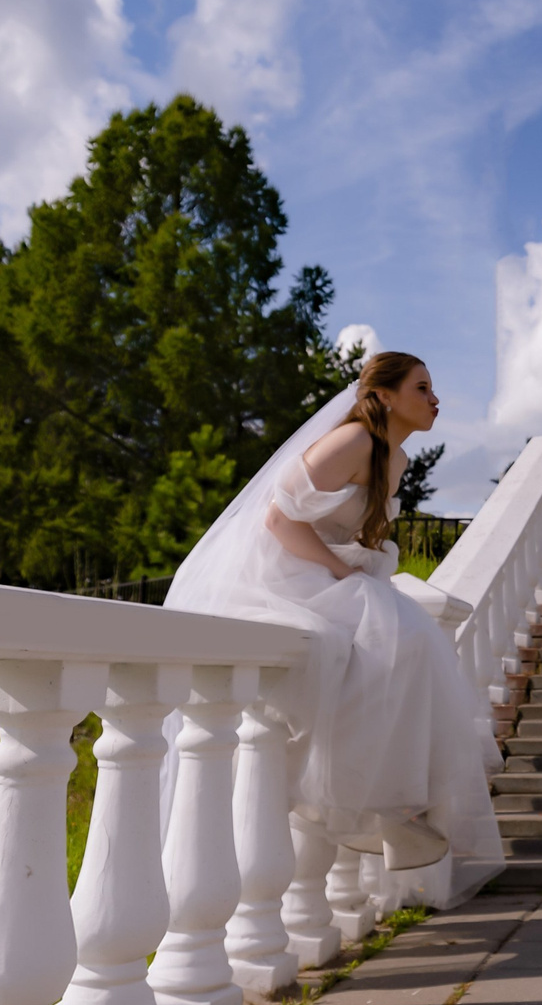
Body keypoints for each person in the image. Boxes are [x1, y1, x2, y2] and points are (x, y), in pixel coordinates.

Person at [167, 350, 504, 893]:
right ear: (387, 396)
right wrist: (343, 576)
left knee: (411, 641)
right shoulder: (352, 443)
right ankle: (367, 799)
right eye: (422, 387)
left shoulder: (396, 461)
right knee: (387, 634)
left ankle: (398, 801)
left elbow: (351, 531)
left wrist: (360, 565)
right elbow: (278, 520)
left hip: (321, 569)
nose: (435, 399)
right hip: (278, 570)